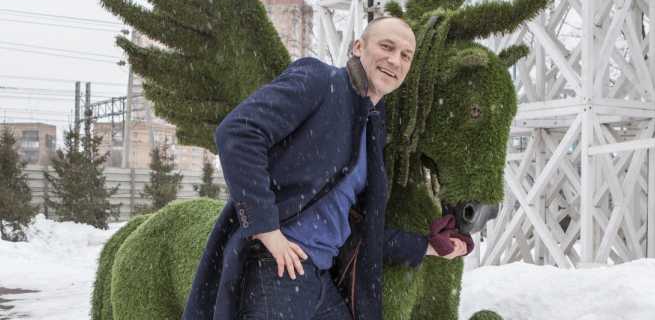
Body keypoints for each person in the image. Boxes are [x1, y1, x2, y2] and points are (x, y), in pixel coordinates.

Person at [182, 16, 471, 320]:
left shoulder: (371, 128)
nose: (395, 60)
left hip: (319, 277)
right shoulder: (320, 80)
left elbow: (361, 230)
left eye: (405, 55)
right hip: (278, 267)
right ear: (358, 47)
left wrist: (428, 246)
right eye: (387, 47)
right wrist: (267, 229)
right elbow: (238, 133)